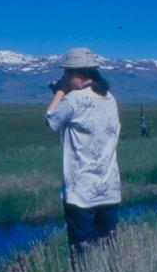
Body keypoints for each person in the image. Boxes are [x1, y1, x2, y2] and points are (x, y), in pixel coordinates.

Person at [45, 47, 121, 261]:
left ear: (74, 74)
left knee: (81, 252)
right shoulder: (110, 98)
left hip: (81, 193)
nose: (63, 77)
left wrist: (60, 92)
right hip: (109, 189)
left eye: (65, 74)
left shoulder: (74, 99)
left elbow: (51, 120)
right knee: (108, 250)